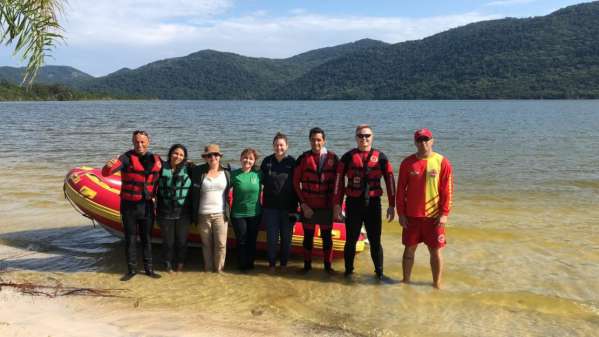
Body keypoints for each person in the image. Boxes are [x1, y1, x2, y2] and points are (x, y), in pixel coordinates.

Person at [334, 124, 396, 280]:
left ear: (372, 137)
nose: (364, 139)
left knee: (375, 241)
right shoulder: (347, 157)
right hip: (353, 204)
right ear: (356, 138)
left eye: (367, 136)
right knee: (351, 240)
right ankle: (348, 272)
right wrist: (336, 205)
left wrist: (392, 205)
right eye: (361, 136)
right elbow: (338, 183)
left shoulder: (381, 158)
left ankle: (379, 274)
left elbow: (390, 181)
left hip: (373, 204)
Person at [396, 128, 453, 289]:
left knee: (435, 252)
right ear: (415, 142)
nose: (423, 143)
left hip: (434, 217)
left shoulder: (442, 162)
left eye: (426, 139)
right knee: (409, 250)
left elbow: (447, 190)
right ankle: (405, 281)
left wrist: (444, 214)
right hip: (412, 216)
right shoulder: (407, 163)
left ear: (432, 141)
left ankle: (437, 284)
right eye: (420, 140)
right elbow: (400, 190)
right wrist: (401, 213)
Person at [102, 130, 162, 281]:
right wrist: (108, 165)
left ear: (148, 142)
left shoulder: (156, 159)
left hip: (147, 206)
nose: (139, 144)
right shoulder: (126, 158)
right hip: (129, 207)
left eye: (142, 141)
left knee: (146, 239)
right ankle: (131, 270)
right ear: (133, 142)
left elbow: (170, 170)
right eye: (136, 142)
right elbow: (106, 173)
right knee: (130, 238)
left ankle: (149, 269)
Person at [293, 127, 339, 273]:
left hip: (326, 206)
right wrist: (303, 205)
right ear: (309, 140)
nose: (316, 143)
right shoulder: (303, 158)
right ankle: (307, 266)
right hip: (309, 207)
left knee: (327, 238)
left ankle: (328, 267)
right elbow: (295, 183)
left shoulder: (333, 158)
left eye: (319, 140)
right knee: (308, 237)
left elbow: (339, 184)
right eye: (313, 140)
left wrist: (337, 205)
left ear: (324, 140)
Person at [190, 144, 231, 273]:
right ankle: (208, 270)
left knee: (221, 245)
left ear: (219, 157)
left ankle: (219, 270)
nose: (213, 157)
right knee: (206, 244)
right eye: (209, 155)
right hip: (203, 214)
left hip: (221, 214)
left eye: (215, 155)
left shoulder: (227, 172)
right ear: (205, 158)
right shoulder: (198, 171)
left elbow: (248, 168)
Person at [261, 132, 298, 272]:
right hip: (270, 208)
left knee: (286, 239)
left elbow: (298, 185)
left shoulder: (293, 162)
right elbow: (259, 181)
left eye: (281, 145)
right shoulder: (267, 162)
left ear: (287, 146)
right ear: (273, 146)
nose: (279, 147)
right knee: (271, 238)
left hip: (288, 208)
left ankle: (283, 265)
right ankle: (271, 265)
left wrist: (297, 208)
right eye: (276, 145)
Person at [156, 144, 193, 273]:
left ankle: (180, 265)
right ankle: (167, 265)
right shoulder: (160, 169)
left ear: (185, 157)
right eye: (175, 153)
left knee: (182, 241)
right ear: (170, 154)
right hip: (165, 212)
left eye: (181, 155)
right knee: (168, 242)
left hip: (183, 213)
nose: (178, 156)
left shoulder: (189, 169)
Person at [230, 148, 262, 271]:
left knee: (252, 240)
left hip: (255, 213)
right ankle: (242, 265)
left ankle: (251, 263)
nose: (247, 160)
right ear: (240, 158)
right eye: (245, 157)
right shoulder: (234, 175)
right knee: (242, 240)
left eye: (250, 158)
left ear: (254, 161)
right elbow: (223, 190)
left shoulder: (259, 174)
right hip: (238, 214)